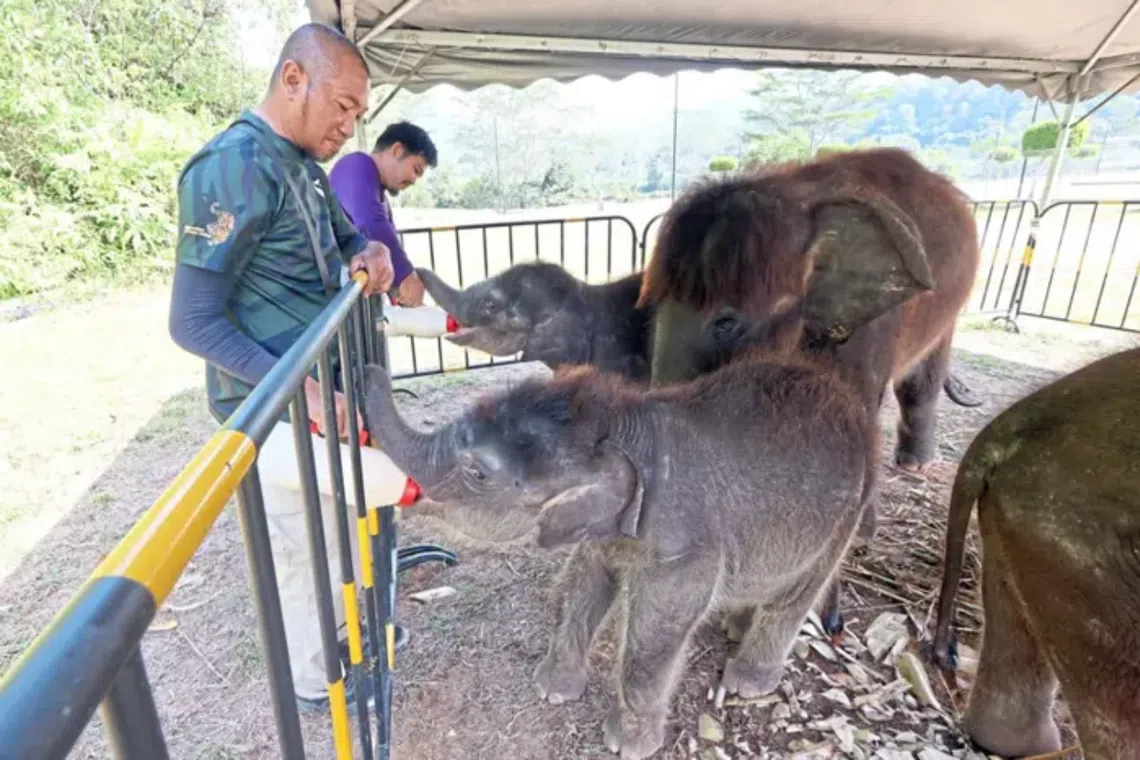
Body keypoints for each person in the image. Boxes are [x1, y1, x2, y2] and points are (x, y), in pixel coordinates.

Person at [168, 22, 403, 712]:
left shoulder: (302, 166)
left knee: (335, 533)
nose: (348, 127)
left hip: (321, 398)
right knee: (302, 549)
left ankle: (348, 646)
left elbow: (347, 237)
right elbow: (192, 321)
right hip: (271, 409)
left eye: (359, 115)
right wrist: (298, 389)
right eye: (343, 107)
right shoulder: (229, 166)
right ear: (294, 78)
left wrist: (371, 254)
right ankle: (317, 681)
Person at [328, 120, 439, 307]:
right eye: (416, 170)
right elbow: (371, 224)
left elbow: (386, 239)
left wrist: (397, 290)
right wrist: (406, 276)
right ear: (397, 150)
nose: (413, 181)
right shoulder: (357, 165)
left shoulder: (379, 195)